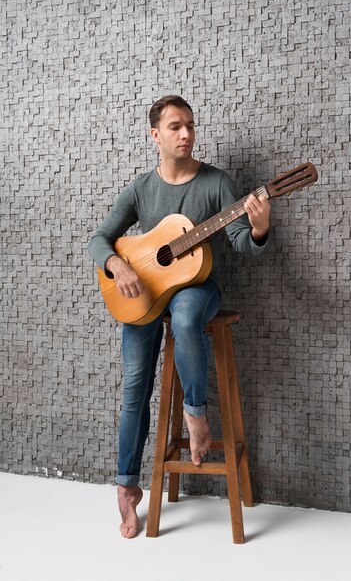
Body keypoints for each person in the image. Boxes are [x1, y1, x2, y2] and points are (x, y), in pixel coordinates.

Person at [87, 95, 271, 538]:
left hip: (196, 288)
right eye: (175, 127)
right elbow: (99, 239)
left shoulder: (217, 182)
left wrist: (260, 228)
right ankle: (127, 489)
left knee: (187, 318)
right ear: (155, 135)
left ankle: (195, 412)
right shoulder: (140, 189)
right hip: (144, 294)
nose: (186, 133)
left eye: (190, 124)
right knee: (134, 388)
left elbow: (241, 241)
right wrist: (119, 265)